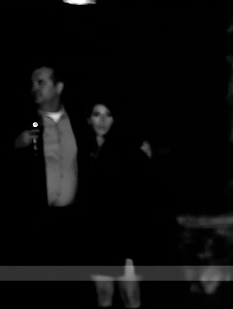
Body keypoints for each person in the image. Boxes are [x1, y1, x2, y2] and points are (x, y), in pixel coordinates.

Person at [10, 64, 91, 308]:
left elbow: (97, 152)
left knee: (72, 289)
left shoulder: (78, 120)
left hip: (72, 221)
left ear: (59, 87)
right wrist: (16, 145)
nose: (33, 88)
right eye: (32, 83)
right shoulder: (23, 120)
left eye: (40, 82)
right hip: (36, 222)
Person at [84, 100, 154, 309]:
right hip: (97, 238)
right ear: (88, 119)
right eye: (97, 114)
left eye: (108, 114)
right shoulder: (81, 150)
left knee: (130, 296)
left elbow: (141, 196)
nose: (103, 120)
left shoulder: (128, 148)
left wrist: (131, 251)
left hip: (125, 238)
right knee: (103, 296)